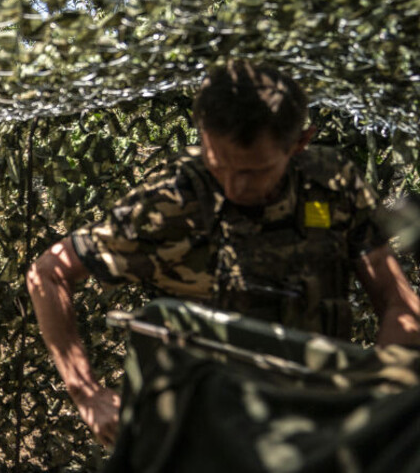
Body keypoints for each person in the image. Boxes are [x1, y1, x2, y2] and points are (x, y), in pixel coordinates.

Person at [27, 60, 420, 448]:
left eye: (254, 171)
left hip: (313, 427)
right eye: (218, 164)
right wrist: (87, 395)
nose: (233, 186)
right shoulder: (169, 201)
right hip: (199, 434)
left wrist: (376, 393)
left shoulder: (331, 183)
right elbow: (47, 273)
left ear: (300, 143)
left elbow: (396, 301)